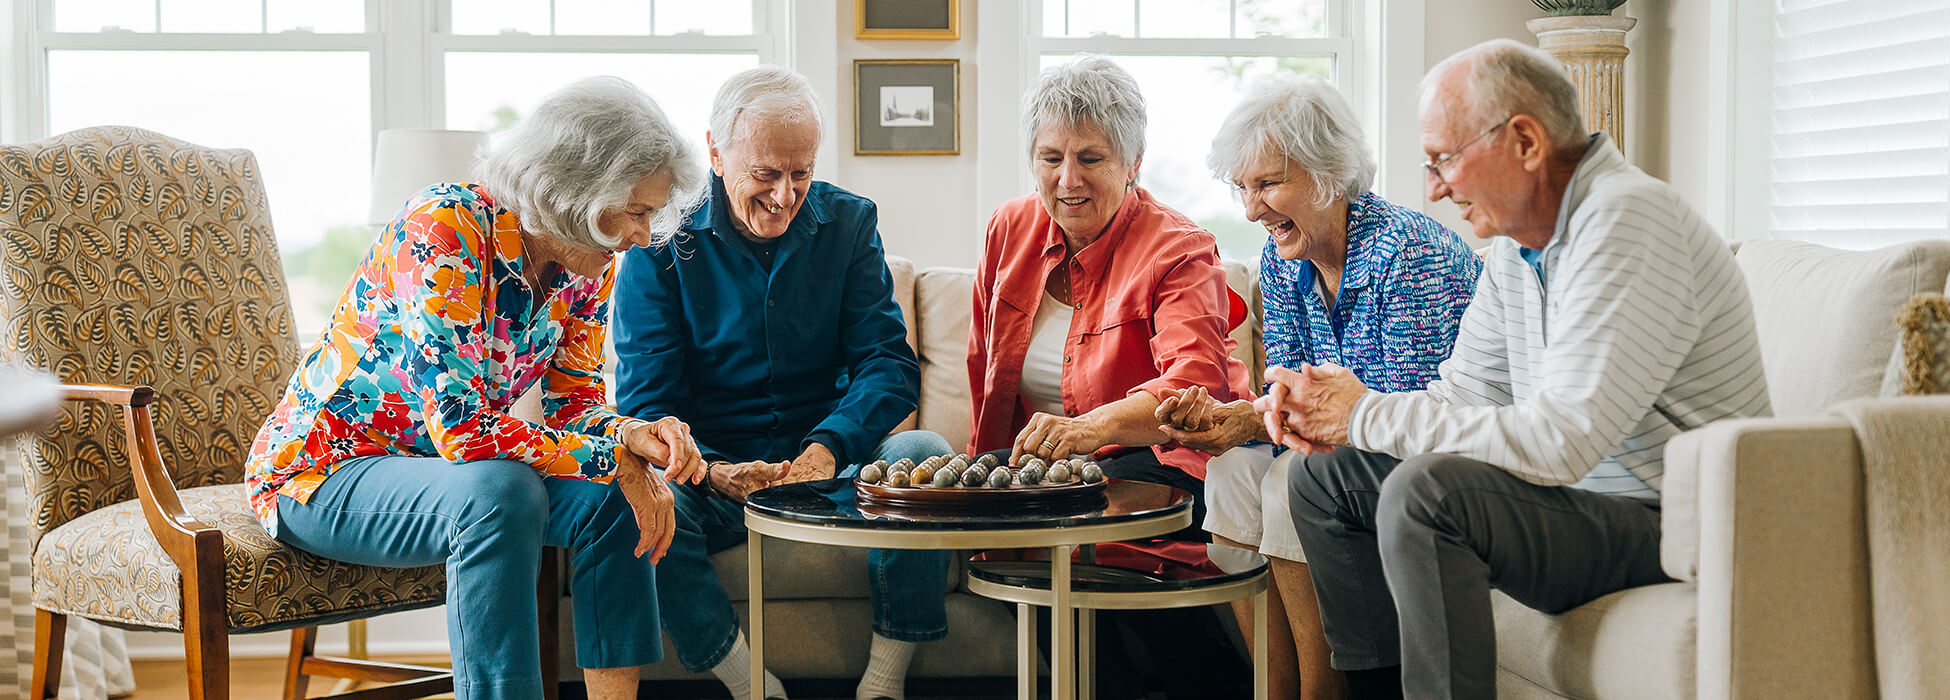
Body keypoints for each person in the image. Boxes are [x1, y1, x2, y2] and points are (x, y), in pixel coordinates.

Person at [1254, 39, 1771, 700]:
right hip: (1581, 505)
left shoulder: (1627, 218)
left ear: (1524, 140)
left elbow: (1561, 444)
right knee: (1324, 476)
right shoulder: (1515, 249)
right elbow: (1467, 392)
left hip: (1669, 518)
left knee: (1430, 492)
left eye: (1443, 160)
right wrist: (1341, 418)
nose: (1434, 187)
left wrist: (1366, 411)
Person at [244, 76, 707, 700]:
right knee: (500, 491)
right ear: (575, 189)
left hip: (440, 469)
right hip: (321, 473)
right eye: (637, 211)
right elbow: (463, 432)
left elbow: (576, 404)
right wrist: (613, 459)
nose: (646, 236)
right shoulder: (444, 226)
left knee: (612, 501)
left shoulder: (586, 264)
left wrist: (631, 436)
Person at [611, 65, 955, 700]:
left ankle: (884, 682)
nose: (785, 194)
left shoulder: (849, 225)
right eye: (765, 174)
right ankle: (750, 686)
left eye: (802, 172)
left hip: (830, 468)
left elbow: (888, 364)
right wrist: (710, 470)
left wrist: (827, 449)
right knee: (626, 503)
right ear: (715, 151)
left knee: (924, 457)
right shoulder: (658, 242)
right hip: (710, 476)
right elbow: (646, 405)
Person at [1156, 72, 1480, 700]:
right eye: (1243, 188)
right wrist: (1246, 420)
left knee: (1285, 480)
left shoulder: (1409, 255)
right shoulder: (1283, 259)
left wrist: (1272, 419)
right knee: (1229, 472)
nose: (1252, 209)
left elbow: (1403, 413)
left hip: (1422, 454)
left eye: (1269, 183)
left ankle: (1322, 692)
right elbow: (1291, 386)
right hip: (1339, 444)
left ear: (1329, 173)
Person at [967, 54, 1253, 524]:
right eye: (1051, 158)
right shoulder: (1008, 228)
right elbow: (984, 371)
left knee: (1085, 517)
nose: (1068, 179)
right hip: (1041, 471)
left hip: (1157, 461)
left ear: (1132, 162)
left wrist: (1086, 430)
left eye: (1091, 159)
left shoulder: (1180, 249)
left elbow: (1193, 383)